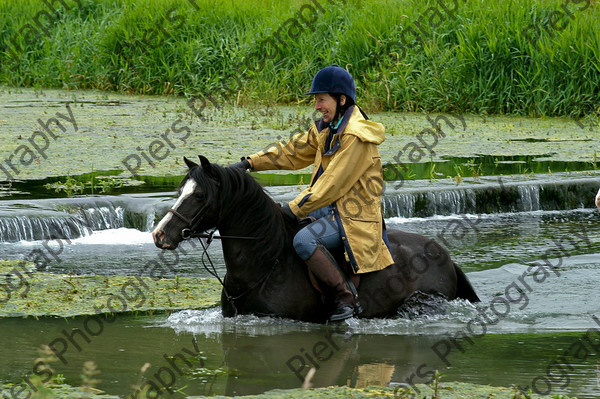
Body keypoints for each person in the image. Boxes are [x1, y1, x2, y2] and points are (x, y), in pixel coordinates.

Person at [232, 65, 394, 321]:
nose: (317, 106)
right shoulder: (326, 128)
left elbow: (331, 184)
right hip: (328, 208)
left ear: (341, 100)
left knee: (303, 240)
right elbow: (291, 152)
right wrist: (250, 163)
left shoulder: (354, 137)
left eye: (322, 100)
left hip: (353, 215)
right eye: (316, 100)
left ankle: (345, 298)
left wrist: (291, 210)